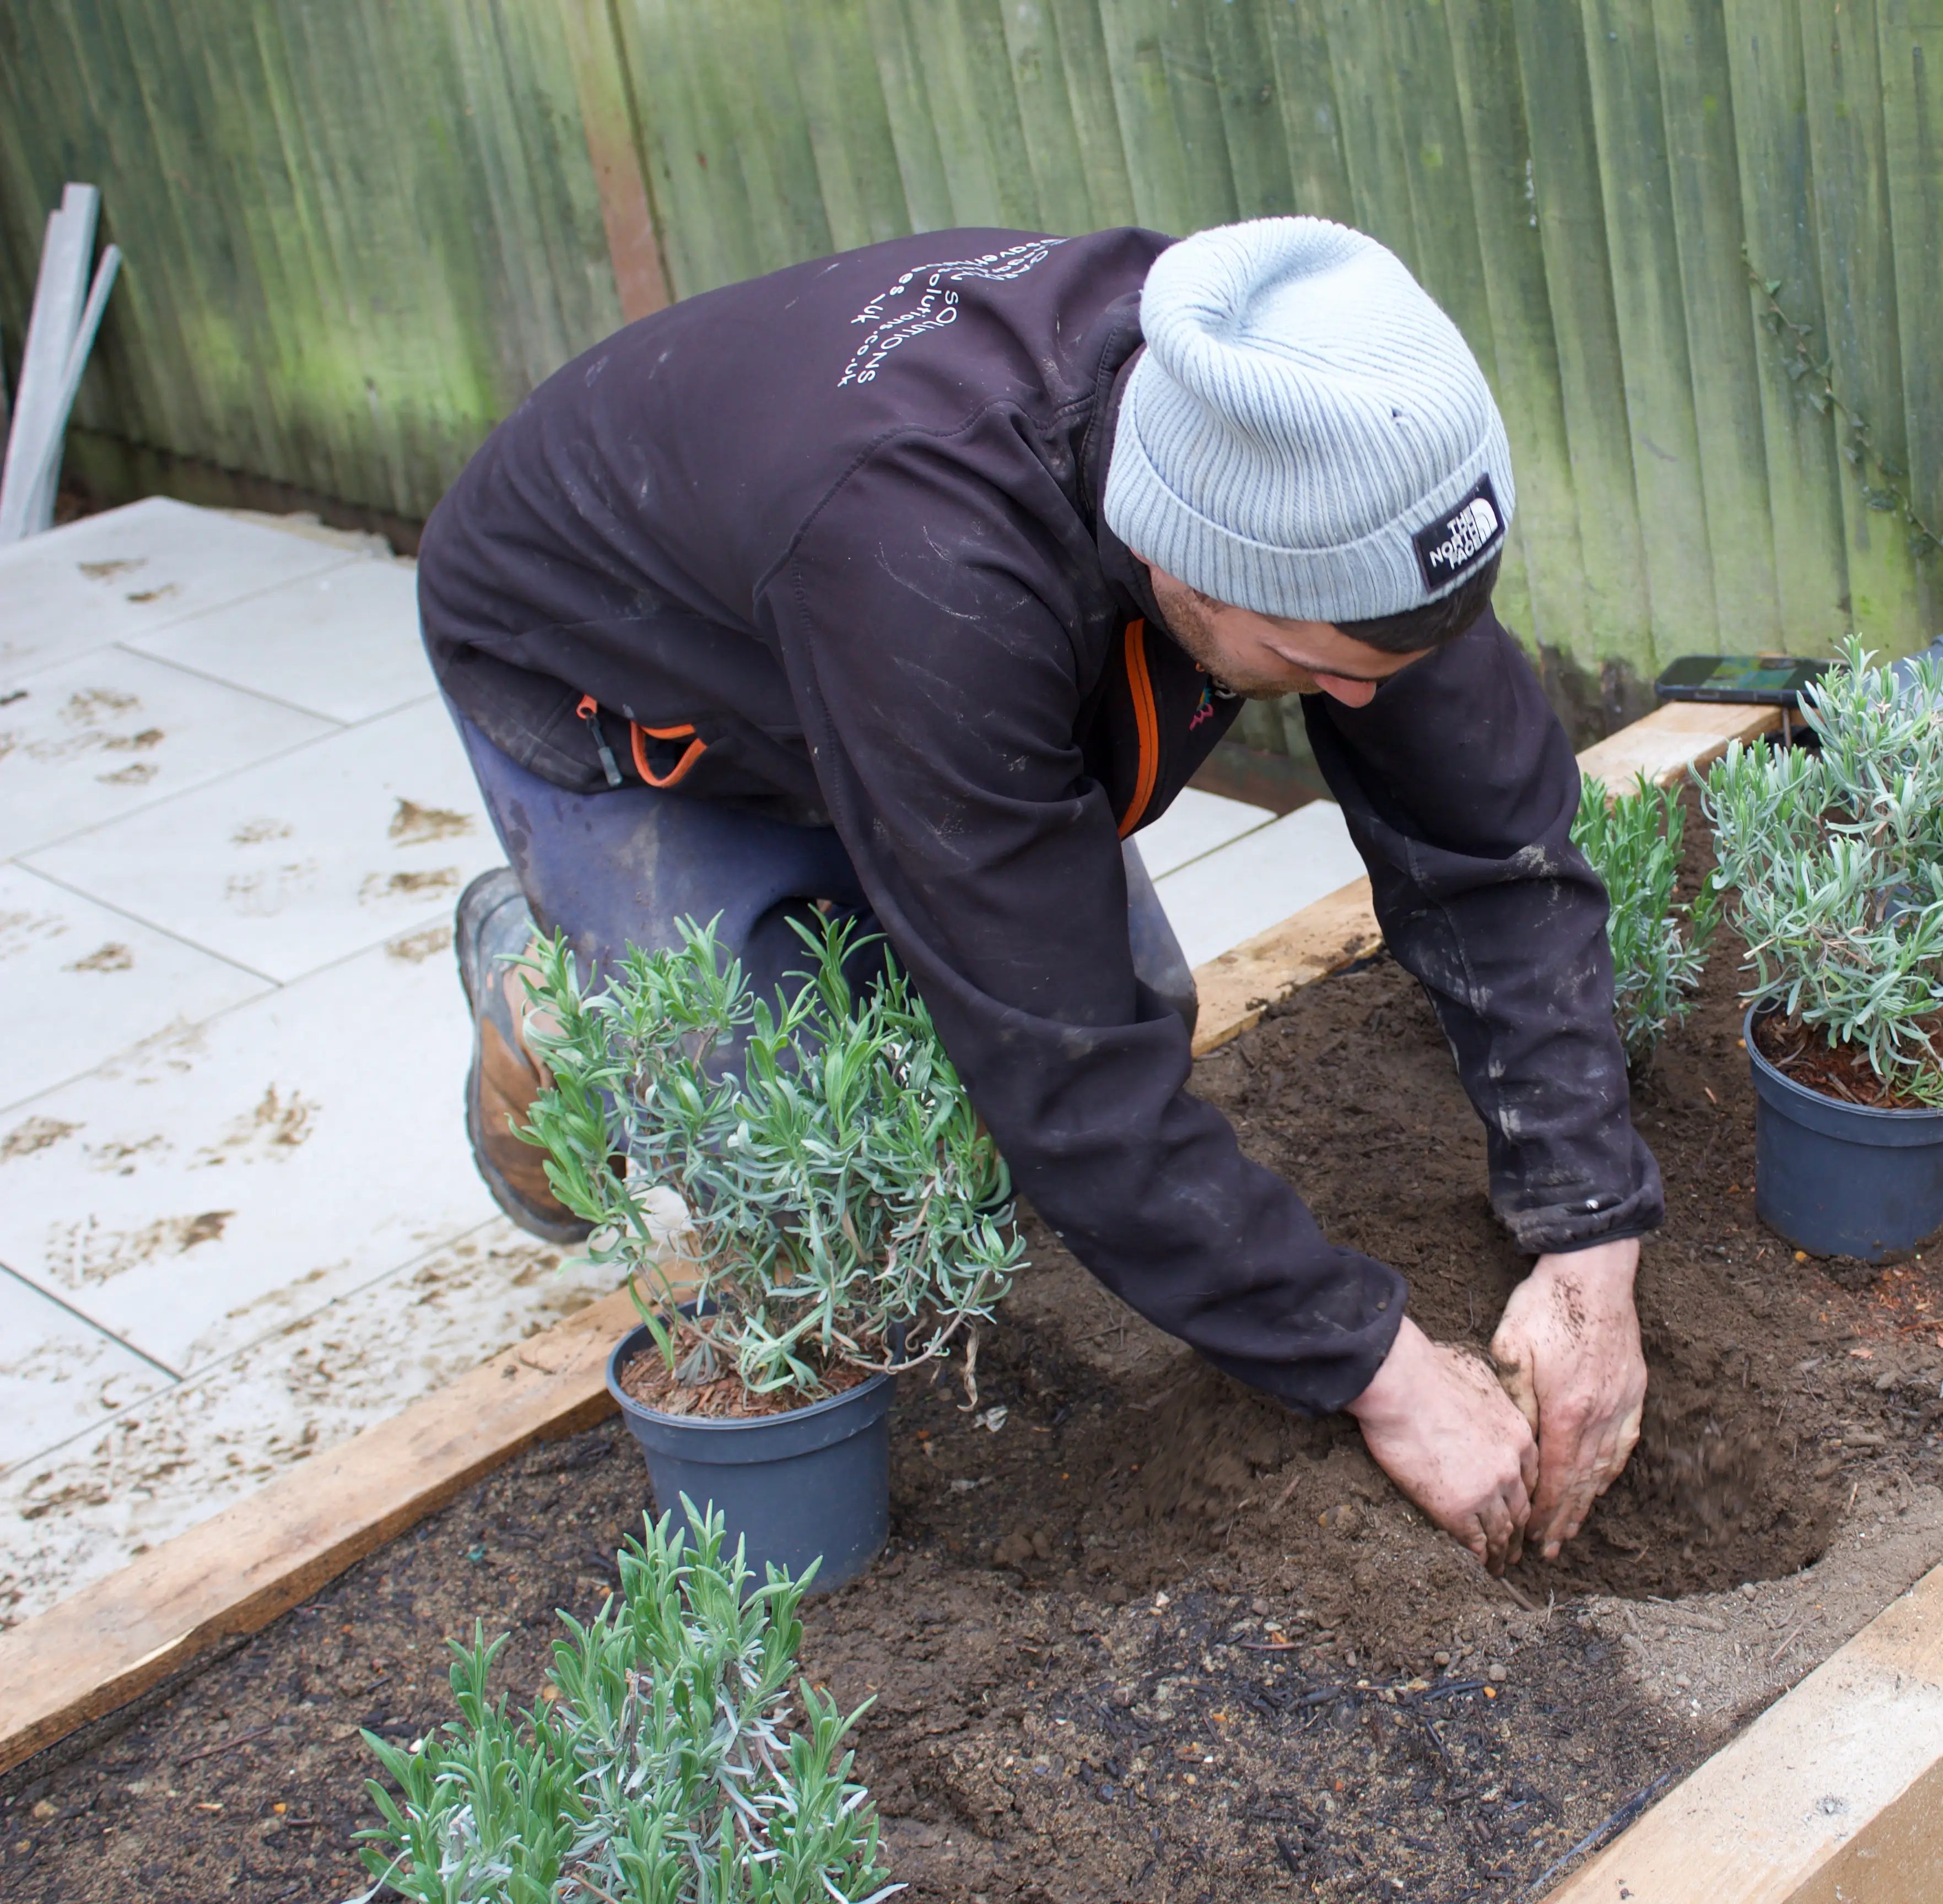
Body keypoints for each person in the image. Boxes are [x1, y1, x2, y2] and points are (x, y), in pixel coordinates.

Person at [422, 217, 1657, 1573]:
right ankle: (553, 1003)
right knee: (822, 1180)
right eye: (1321, 664)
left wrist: (1591, 1233)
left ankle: (861, 876)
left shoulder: (1323, 440)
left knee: (1131, 1014)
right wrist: (1386, 1373)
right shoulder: (935, 569)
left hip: (870, 638)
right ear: (1184, 564)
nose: (1361, 698)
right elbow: (1071, 1084)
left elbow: (1493, 846)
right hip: (622, 675)